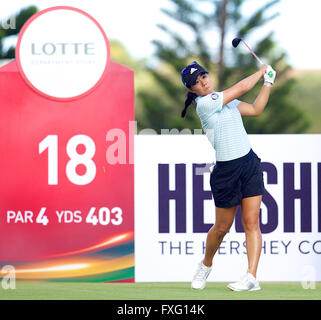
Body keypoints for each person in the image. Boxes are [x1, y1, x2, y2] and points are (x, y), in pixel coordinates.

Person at [180, 61, 276, 291]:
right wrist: (262, 71)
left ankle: (251, 276)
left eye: (204, 76)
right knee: (222, 228)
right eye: (197, 82)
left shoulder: (228, 102)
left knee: (251, 222)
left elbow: (255, 109)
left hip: (249, 163)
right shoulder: (205, 104)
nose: (204, 82)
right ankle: (205, 265)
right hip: (226, 172)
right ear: (192, 90)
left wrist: (268, 82)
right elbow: (243, 86)